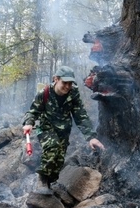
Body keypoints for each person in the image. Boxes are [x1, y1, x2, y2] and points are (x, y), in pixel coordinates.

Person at [22, 66, 105, 195]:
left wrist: (90, 137)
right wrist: (28, 123)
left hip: (64, 130)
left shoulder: (73, 93)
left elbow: (80, 115)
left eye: (70, 83)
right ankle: (42, 180)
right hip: (46, 127)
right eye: (64, 83)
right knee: (52, 147)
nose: (67, 86)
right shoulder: (44, 93)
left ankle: (49, 184)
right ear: (56, 79)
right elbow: (33, 112)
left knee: (59, 160)